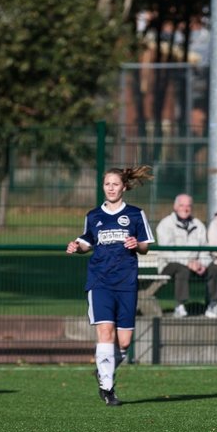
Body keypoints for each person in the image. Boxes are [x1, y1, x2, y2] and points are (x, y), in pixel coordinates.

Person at [66, 165, 156, 406]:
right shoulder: (93, 216)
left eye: (115, 184)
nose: (111, 188)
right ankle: (107, 387)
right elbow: (87, 242)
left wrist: (136, 243)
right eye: (107, 184)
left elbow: (145, 247)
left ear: (124, 187)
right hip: (100, 282)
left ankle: (103, 370)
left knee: (124, 342)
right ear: (103, 187)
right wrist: (77, 247)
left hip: (126, 282)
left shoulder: (136, 214)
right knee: (105, 332)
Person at [156, 194, 217, 318]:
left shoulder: (198, 225)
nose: (185, 208)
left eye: (188, 206)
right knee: (182, 270)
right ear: (175, 207)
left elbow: (204, 249)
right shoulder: (165, 224)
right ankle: (180, 306)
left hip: (195, 264)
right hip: (169, 264)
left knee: (215, 269)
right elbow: (167, 253)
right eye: (182, 205)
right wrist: (188, 263)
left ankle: (213, 305)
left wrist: (202, 264)